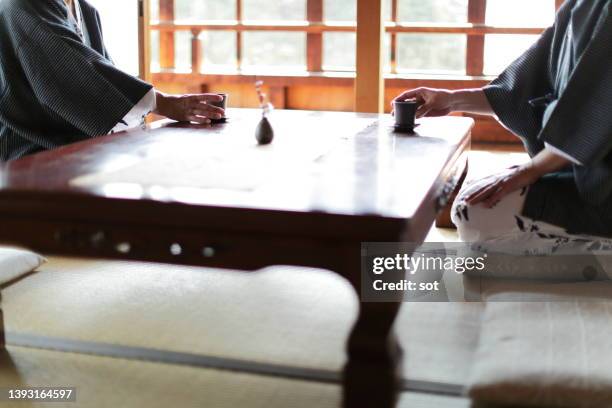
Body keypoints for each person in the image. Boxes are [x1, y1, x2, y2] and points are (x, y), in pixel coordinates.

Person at [394, 0, 611, 252]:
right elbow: (521, 89)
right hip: (576, 173)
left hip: (603, 189)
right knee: (472, 203)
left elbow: (596, 112)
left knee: (475, 213)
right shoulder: (579, 5)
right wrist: (451, 99)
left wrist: (528, 170)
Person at [0, 0, 225, 160]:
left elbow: (103, 75)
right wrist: (163, 103)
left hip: (81, 152)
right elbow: (79, 74)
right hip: (30, 154)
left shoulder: (86, 10)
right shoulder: (22, 5)